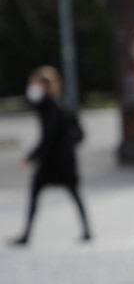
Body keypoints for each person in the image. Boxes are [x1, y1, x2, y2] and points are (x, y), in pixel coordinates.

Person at [11, 66, 91, 245]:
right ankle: (86, 231)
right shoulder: (52, 105)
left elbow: (49, 138)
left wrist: (31, 157)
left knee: (54, 192)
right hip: (60, 159)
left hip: (57, 160)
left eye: (37, 84)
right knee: (71, 193)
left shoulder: (52, 107)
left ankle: (27, 235)